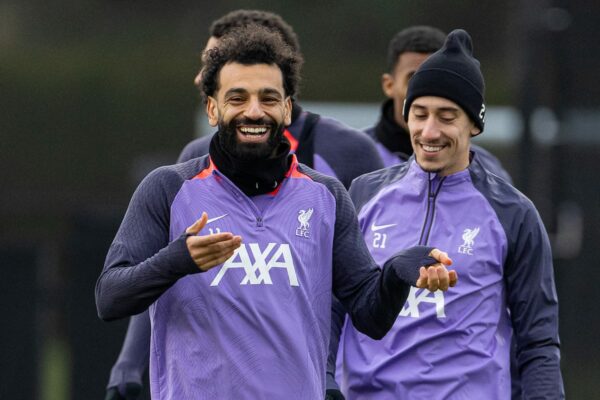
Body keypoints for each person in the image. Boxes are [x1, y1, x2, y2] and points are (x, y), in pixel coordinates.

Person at [95, 26, 457, 400]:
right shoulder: (168, 189)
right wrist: (178, 259)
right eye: (237, 97)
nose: (254, 111)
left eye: (268, 98)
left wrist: (396, 272)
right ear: (212, 107)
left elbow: (371, 316)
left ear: (287, 108)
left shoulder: (326, 195)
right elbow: (110, 297)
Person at [332, 29, 564, 399]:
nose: (429, 131)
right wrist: (325, 382)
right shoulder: (363, 194)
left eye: (447, 116)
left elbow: (537, 342)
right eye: (419, 114)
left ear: (474, 123)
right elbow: (330, 307)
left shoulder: (513, 213)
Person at [364, 25, 512, 183]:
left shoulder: (489, 170)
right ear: (389, 85)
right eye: (414, 80)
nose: (429, 92)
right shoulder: (354, 159)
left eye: (441, 81)